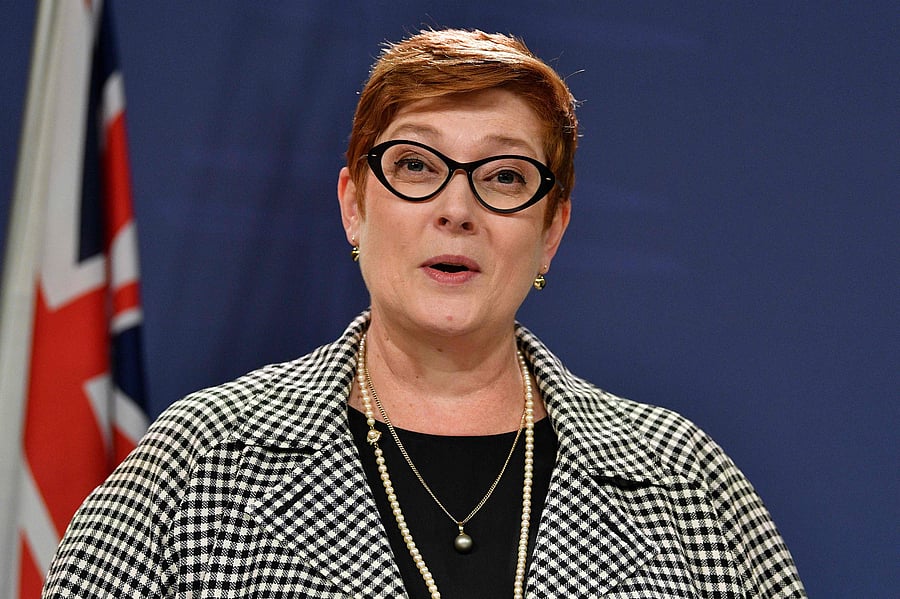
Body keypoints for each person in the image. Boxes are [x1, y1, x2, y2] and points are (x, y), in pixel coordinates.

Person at [43, 29, 806, 598]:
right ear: (353, 206)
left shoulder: (686, 484)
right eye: (415, 165)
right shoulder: (198, 464)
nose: (456, 208)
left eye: (504, 177)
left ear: (552, 231)